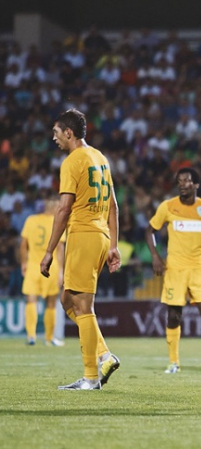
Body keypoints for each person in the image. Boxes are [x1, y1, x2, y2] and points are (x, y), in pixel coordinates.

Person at [41, 109, 122, 390]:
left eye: (55, 133)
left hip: (83, 234)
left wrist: (50, 250)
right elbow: (114, 206)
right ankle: (103, 355)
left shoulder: (72, 161)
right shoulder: (100, 158)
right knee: (67, 300)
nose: (54, 139)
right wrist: (113, 246)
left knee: (83, 306)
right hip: (100, 236)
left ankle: (91, 377)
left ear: (68, 132)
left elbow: (64, 209)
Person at [145, 168, 201, 375]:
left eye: (187, 180)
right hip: (174, 269)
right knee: (174, 315)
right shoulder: (168, 207)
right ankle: (173, 363)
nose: (182, 184)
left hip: (198, 268)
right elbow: (150, 230)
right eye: (179, 181)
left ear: (196, 185)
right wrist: (155, 256)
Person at [21, 196, 65, 346]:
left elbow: (23, 245)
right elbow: (60, 248)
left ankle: (31, 336)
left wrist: (23, 263)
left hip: (33, 265)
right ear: (54, 209)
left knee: (31, 301)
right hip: (51, 265)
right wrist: (61, 271)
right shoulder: (57, 222)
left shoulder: (31, 220)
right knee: (51, 303)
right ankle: (49, 338)